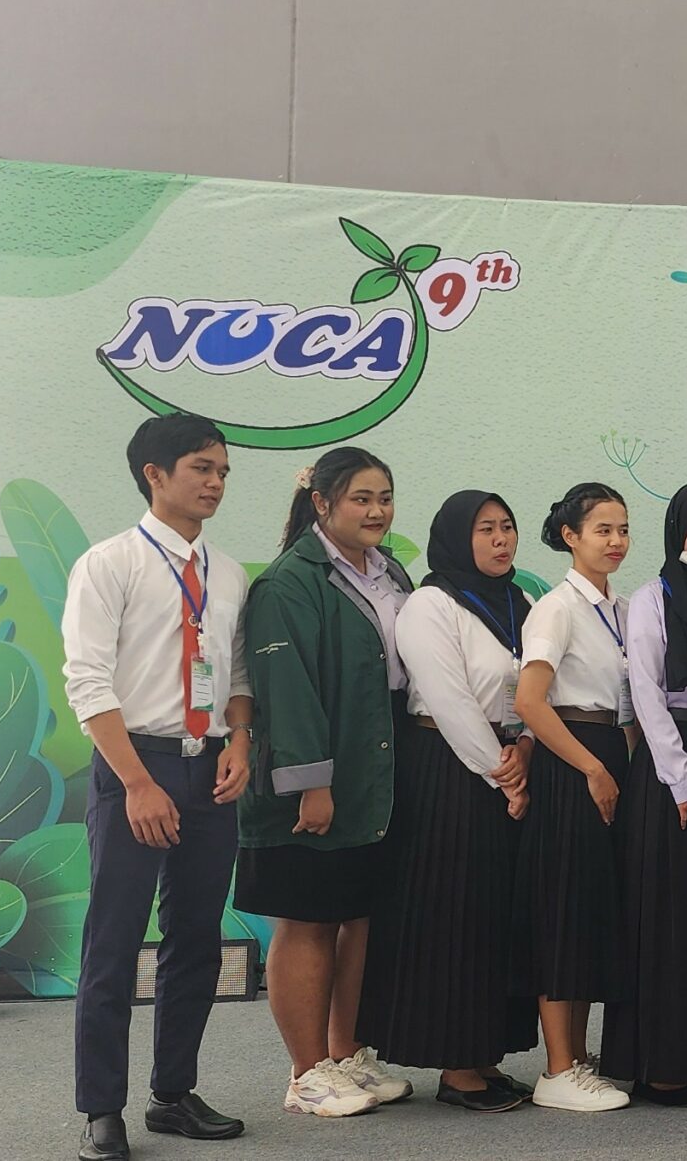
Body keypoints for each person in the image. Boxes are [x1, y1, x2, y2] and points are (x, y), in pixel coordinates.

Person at [63, 414, 254, 1161]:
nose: (216, 483)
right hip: (134, 763)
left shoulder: (228, 573)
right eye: (202, 468)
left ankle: (173, 1094)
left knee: (196, 939)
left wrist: (240, 740)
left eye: (223, 472)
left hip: (210, 765)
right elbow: (87, 682)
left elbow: (237, 674)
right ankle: (101, 1108)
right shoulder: (108, 564)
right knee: (113, 941)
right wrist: (137, 783)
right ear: (155, 474)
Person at [238, 446, 415, 1116]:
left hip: (374, 770)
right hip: (317, 774)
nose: (376, 511)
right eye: (361, 498)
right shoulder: (290, 582)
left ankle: (346, 1055)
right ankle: (306, 1071)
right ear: (321, 502)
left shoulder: (390, 571)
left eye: (384, 497)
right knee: (309, 919)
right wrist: (313, 782)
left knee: (358, 915)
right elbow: (286, 691)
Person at [354, 490, 538, 1112]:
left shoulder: (520, 602)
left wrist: (525, 750)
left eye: (507, 527)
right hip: (449, 771)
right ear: (458, 537)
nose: (501, 539)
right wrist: (501, 773)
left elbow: (539, 685)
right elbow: (448, 698)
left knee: (497, 917)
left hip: (511, 763)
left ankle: (486, 1057)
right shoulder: (430, 604)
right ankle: (457, 1071)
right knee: (455, 918)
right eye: (486, 529)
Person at [600, 483, 687, 1105]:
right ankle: (660, 1066)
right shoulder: (651, 599)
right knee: (668, 916)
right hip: (668, 769)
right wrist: (682, 781)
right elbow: (647, 695)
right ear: (677, 530)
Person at [512, 483, 639, 1112]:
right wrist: (590, 767)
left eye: (623, 530)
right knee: (562, 910)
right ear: (571, 536)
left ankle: (579, 1060)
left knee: (590, 912)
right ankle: (556, 1068)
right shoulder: (556, 608)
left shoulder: (622, 609)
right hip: (572, 763)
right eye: (602, 530)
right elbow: (529, 702)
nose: (616, 542)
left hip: (611, 754)